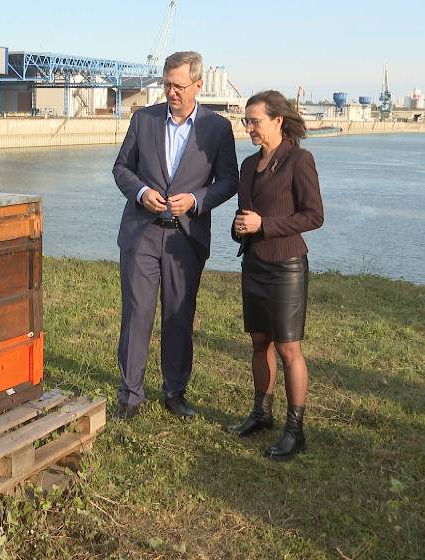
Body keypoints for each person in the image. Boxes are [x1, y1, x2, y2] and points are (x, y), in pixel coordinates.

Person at [112, 51, 239, 420]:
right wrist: (140, 192)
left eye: (179, 86)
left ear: (198, 85)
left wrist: (197, 200)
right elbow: (121, 167)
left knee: (179, 316)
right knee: (137, 314)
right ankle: (130, 395)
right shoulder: (143, 119)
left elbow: (230, 180)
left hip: (186, 238)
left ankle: (175, 392)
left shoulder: (217, 128)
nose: (171, 92)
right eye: (167, 84)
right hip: (142, 234)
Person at [229, 90, 324, 460]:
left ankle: (295, 430)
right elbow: (245, 214)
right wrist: (240, 227)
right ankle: (261, 414)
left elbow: (314, 215)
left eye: (255, 121)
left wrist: (264, 224)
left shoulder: (299, 160)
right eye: (246, 121)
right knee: (258, 343)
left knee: (288, 349)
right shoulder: (247, 165)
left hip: (286, 266)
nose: (249, 127)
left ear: (277, 121)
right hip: (253, 264)